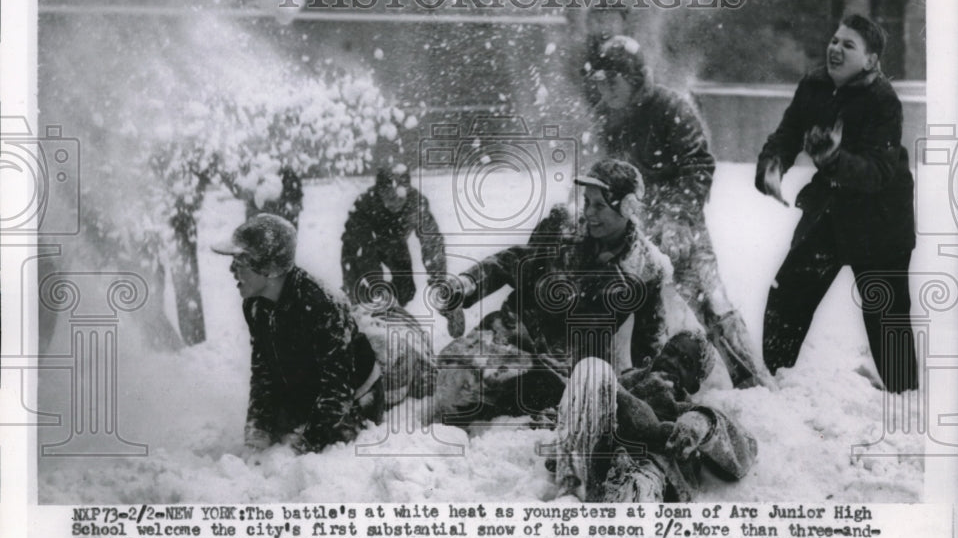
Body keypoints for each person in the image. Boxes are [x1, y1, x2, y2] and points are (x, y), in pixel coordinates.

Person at [431, 158, 704, 425]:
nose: (589, 213)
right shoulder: (562, 229)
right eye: (587, 202)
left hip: (561, 370)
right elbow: (509, 262)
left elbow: (649, 340)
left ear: (627, 208)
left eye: (599, 205)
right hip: (511, 335)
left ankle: (522, 404)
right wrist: (466, 285)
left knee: (505, 398)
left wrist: (656, 384)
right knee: (451, 386)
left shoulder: (646, 269)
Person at [587, 35, 771, 389]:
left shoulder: (670, 106)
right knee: (639, 307)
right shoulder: (608, 117)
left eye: (612, 80)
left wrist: (677, 215)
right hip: (637, 223)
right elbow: (610, 172)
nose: (605, 90)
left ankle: (752, 382)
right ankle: (650, 384)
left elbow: (699, 163)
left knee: (709, 302)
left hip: (680, 221)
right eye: (600, 81)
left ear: (634, 78)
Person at [755, 14, 918, 392]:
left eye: (849, 45)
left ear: (871, 60)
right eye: (834, 40)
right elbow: (788, 132)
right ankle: (772, 384)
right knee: (788, 296)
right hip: (829, 211)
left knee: (886, 316)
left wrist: (833, 159)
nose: (835, 48)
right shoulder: (814, 86)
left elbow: (878, 171)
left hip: (880, 222)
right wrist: (772, 164)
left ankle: (904, 398)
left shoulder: (883, 102)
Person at [212, 213, 384, 453]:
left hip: (353, 397)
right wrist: (257, 430)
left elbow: (338, 391)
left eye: (239, 263)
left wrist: (304, 443)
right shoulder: (254, 305)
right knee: (270, 440)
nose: (232, 270)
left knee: (315, 451)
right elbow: (263, 373)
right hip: (307, 390)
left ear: (269, 268)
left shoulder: (321, 305)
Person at [551, 330, 758, 502]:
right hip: (596, 460)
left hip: (647, 473)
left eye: (685, 363)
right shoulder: (618, 384)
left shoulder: (686, 409)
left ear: (694, 385)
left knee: (640, 484)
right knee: (592, 367)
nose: (672, 362)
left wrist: (702, 422)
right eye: (670, 352)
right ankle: (569, 492)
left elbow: (746, 449)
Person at [341, 161, 464, 339]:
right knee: (364, 299)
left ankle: (389, 317)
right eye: (390, 199)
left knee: (406, 289)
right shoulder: (365, 206)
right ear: (380, 192)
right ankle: (359, 331)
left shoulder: (416, 203)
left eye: (400, 198)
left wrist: (439, 282)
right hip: (358, 247)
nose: (395, 205)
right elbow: (365, 258)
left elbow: (432, 242)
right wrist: (376, 294)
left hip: (393, 242)